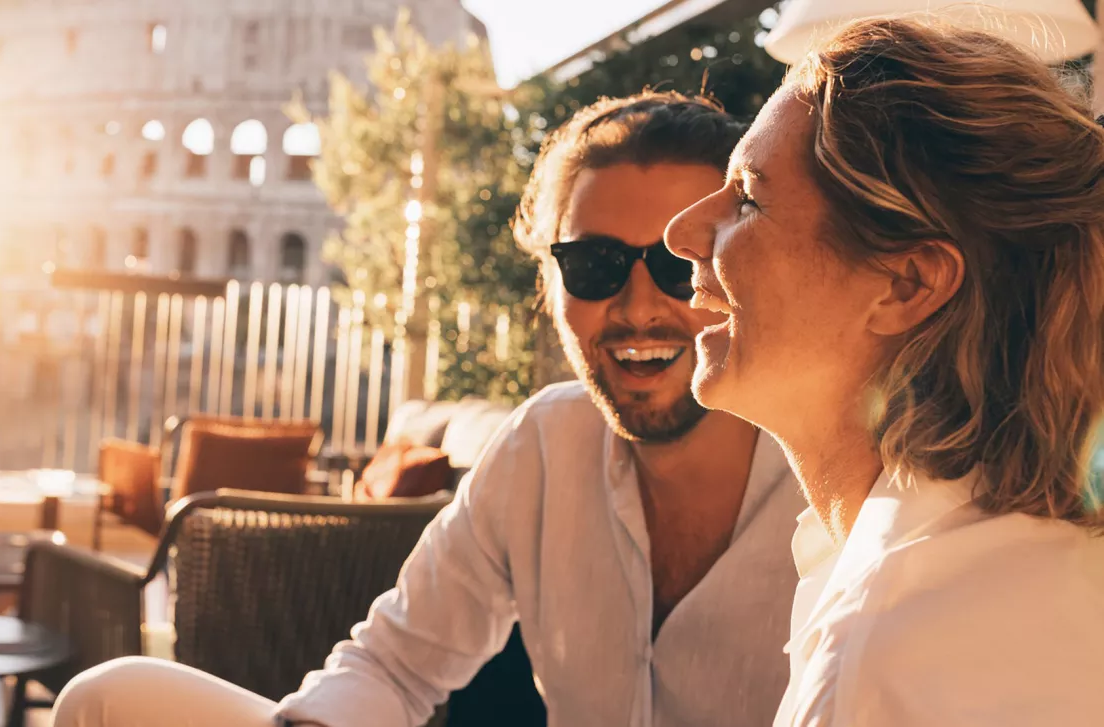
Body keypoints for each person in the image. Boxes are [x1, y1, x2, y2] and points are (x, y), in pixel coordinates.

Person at [51, 92, 804, 727]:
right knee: (106, 696)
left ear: (743, 269)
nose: (639, 307)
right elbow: (394, 663)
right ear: (552, 284)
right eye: (597, 265)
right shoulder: (545, 442)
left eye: (681, 266)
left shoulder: (831, 480)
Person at [665, 17, 1104, 727]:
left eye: (748, 197)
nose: (679, 231)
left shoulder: (898, 649)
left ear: (905, 283)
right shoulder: (995, 570)